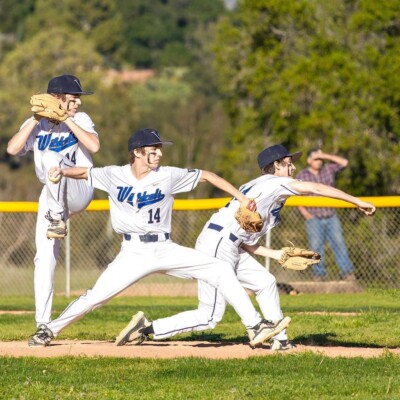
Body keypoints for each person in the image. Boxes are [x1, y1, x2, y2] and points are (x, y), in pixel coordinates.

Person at [27, 128, 291, 348]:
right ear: (137, 153)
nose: (159, 153)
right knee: (95, 298)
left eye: (159, 149)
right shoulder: (113, 174)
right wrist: (60, 172)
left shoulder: (168, 175)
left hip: (165, 247)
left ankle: (254, 326)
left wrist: (243, 198)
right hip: (132, 253)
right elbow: (84, 172)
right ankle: (48, 330)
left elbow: (207, 176)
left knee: (221, 269)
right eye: (153, 150)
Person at [115, 144, 375, 351]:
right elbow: (315, 188)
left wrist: (274, 254)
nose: (293, 166)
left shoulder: (265, 190)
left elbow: (247, 244)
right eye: (287, 162)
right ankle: (146, 329)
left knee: (265, 281)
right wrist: (356, 201)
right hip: (217, 245)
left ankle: (280, 340)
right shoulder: (274, 183)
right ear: (275, 166)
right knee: (209, 316)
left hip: (229, 244)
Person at [7, 74, 100, 330]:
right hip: (51, 192)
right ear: (56, 98)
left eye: (78, 99)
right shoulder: (35, 124)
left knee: (50, 155)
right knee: (44, 259)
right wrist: (35, 120)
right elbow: (13, 149)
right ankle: (43, 323)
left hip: (78, 187)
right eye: (73, 99)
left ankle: (58, 217)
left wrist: (67, 117)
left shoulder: (80, 119)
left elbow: (93, 146)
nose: (78, 103)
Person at [297, 148, 356, 281]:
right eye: (316, 158)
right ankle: (318, 275)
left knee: (339, 243)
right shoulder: (302, 175)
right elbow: (296, 195)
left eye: (320, 159)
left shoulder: (328, 169)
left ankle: (347, 273)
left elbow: (344, 162)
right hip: (313, 217)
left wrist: (323, 154)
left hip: (330, 215)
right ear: (308, 160)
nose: (319, 161)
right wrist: (304, 213)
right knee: (315, 247)